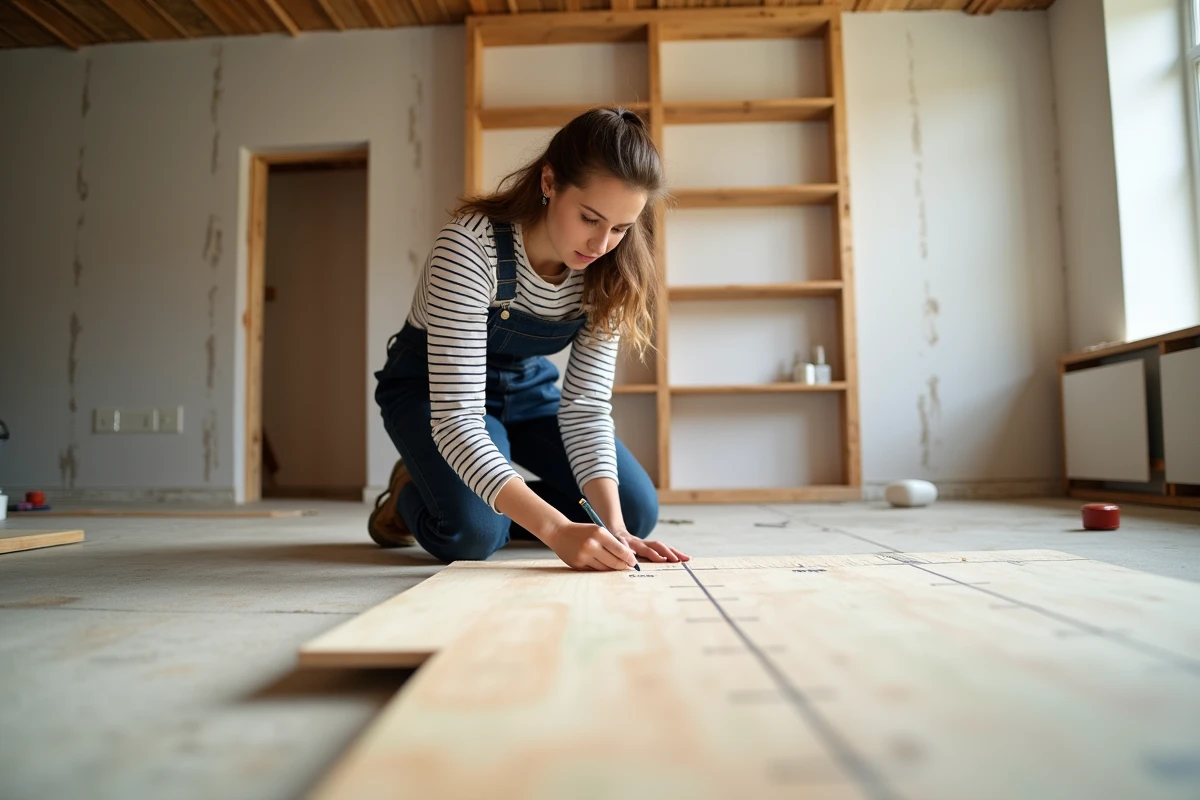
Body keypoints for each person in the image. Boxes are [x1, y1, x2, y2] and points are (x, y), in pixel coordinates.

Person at [369, 107, 690, 571]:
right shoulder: (468, 247)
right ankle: (411, 494)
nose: (601, 245)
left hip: (524, 389)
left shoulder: (610, 270)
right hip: (433, 392)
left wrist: (616, 531)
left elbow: (585, 407)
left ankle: (482, 498)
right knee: (474, 534)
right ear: (549, 181)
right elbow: (458, 419)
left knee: (633, 511)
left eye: (620, 228)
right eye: (590, 218)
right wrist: (556, 530)